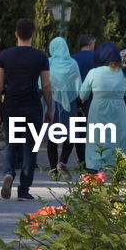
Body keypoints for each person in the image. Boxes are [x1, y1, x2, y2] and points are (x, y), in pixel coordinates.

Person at [0, 18, 51, 201]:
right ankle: (24, 189)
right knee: (30, 147)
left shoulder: (5, 56)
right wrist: (50, 107)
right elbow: (47, 85)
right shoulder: (40, 57)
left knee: (12, 142)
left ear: (16, 34)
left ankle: (8, 173)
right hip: (32, 105)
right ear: (33, 34)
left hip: (12, 104)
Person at [78, 42, 126, 172]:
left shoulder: (94, 72)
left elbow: (83, 94)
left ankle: (94, 173)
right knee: (118, 142)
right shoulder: (124, 72)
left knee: (96, 141)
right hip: (119, 110)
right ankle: (117, 175)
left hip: (98, 110)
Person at [46, 36, 82, 179]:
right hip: (70, 103)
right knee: (70, 135)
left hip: (51, 102)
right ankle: (62, 162)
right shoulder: (72, 63)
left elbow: (41, 83)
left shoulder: (48, 63)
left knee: (52, 137)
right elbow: (78, 84)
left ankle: (53, 171)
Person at [70, 35, 97, 166]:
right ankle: (91, 158)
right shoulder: (96, 58)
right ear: (90, 44)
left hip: (76, 97)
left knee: (78, 129)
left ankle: (81, 157)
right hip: (93, 97)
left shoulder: (72, 58)